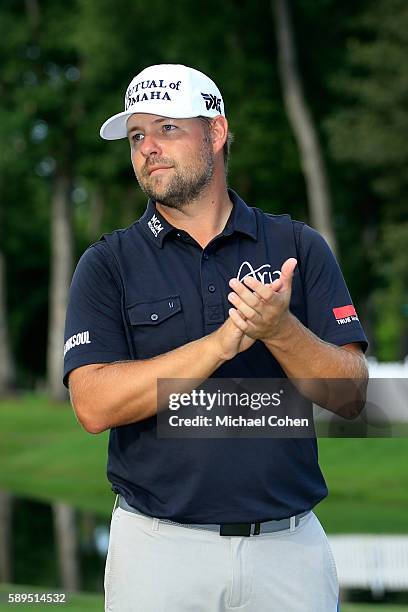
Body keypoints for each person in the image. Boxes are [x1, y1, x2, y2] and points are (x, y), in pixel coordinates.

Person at [63, 64, 368, 612]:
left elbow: (350, 396)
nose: (148, 148)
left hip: (288, 552)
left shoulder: (297, 245)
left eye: (167, 129)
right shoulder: (107, 263)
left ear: (216, 133)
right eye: (137, 136)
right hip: (156, 555)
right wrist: (219, 344)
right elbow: (92, 404)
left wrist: (280, 329)